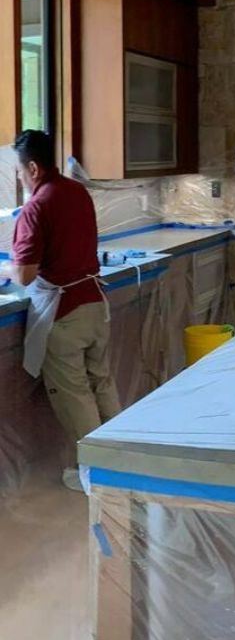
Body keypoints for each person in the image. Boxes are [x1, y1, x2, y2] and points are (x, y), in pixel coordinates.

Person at [2, 130, 121, 491]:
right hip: (95, 306)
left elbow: (25, 275)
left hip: (65, 314)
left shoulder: (37, 206)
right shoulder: (76, 191)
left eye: (19, 173)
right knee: (101, 383)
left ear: (32, 169)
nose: (20, 180)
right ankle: (123, 463)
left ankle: (98, 477)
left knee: (75, 397)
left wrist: (5, 268)